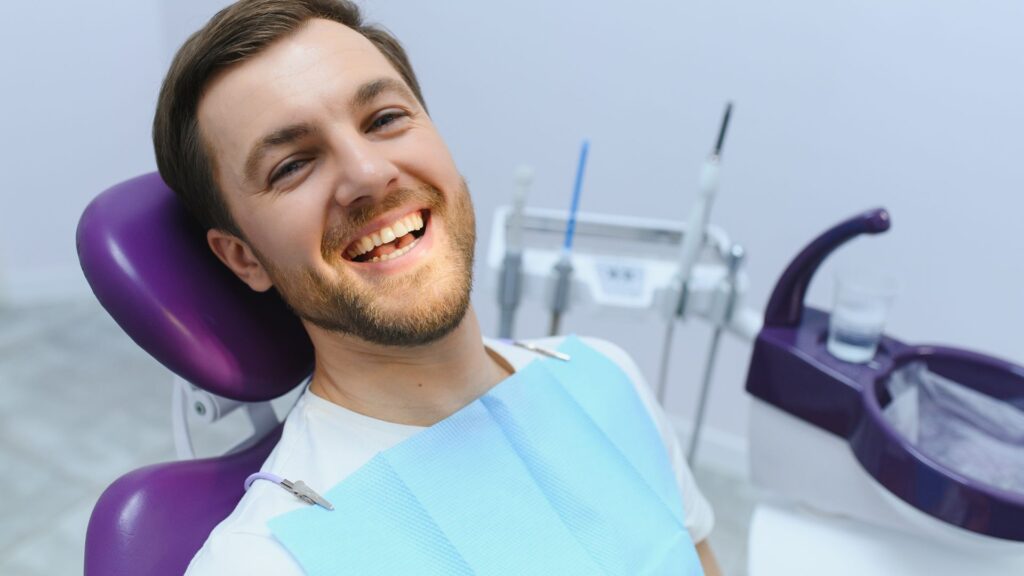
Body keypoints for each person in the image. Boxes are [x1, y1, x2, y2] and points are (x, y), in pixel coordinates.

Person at [153, 1, 722, 573]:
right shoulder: (264, 558)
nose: (369, 174)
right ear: (244, 257)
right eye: (292, 165)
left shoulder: (605, 376)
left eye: (383, 119)